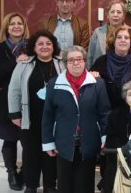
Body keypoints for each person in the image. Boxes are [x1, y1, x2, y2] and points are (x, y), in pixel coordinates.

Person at [42, 45, 110, 193]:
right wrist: (48, 142)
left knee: (85, 185)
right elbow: (48, 115)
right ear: (66, 63)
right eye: (71, 60)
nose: (75, 63)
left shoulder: (98, 83)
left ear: (85, 61)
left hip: (89, 142)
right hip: (64, 143)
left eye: (79, 59)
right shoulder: (54, 84)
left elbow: (104, 113)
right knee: (65, 185)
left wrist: (105, 136)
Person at [8, 30, 64, 193]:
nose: (44, 47)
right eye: (40, 44)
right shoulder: (23, 64)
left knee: (51, 153)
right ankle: (31, 186)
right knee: (30, 153)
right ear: (34, 46)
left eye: (48, 43)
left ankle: (49, 186)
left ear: (54, 47)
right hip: (30, 117)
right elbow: (14, 90)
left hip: (54, 119)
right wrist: (14, 113)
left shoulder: (61, 64)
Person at [0, 12, 30, 191]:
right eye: (12, 24)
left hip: (28, 100)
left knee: (28, 141)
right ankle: (11, 172)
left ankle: (25, 172)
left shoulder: (32, 47)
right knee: (9, 139)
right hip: (4, 100)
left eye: (19, 23)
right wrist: (16, 61)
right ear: (6, 28)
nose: (16, 26)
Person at [90, 25, 131, 109]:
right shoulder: (101, 61)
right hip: (107, 113)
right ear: (113, 41)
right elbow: (91, 85)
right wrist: (92, 75)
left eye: (126, 38)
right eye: (119, 37)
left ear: (130, 42)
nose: (123, 40)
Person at [87, 0, 131, 69]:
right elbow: (90, 56)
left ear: (124, 16)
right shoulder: (98, 32)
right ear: (107, 15)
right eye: (112, 12)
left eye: (119, 12)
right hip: (100, 72)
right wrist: (90, 74)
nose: (115, 15)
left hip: (124, 72)